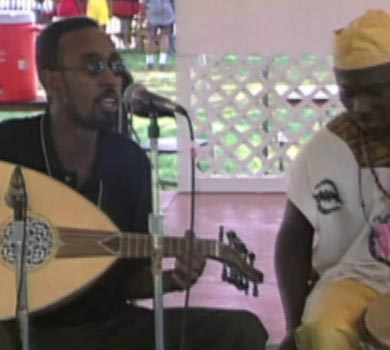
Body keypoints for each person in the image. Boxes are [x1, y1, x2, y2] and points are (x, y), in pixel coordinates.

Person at [0, 17, 268, 349]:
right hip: (19, 327)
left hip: (108, 328)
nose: (111, 79)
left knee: (241, 331)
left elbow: (127, 279)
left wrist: (172, 279)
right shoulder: (9, 146)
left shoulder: (129, 163)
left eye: (115, 65)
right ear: (53, 81)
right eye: (93, 67)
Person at [275, 9, 390, 350]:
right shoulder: (326, 149)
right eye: (348, 93)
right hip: (356, 280)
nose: (360, 107)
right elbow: (294, 237)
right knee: (324, 331)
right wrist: (294, 328)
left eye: (374, 92)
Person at [140, 0, 175, 71]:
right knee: (165, 37)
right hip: (167, 11)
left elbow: (143, 3)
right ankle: (163, 63)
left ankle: (150, 62)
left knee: (150, 38)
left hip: (153, 11)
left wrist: (142, 16)